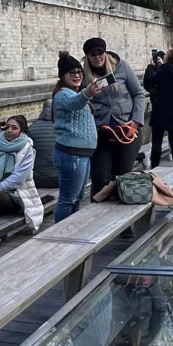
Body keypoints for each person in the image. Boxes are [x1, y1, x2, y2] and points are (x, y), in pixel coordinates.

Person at [81, 37, 146, 194]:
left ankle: (122, 207)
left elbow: (139, 94)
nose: (97, 57)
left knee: (123, 176)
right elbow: (79, 101)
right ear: (87, 57)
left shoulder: (121, 66)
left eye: (100, 53)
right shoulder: (83, 75)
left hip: (126, 130)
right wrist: (87, 94)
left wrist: (136, 121)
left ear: (105, 53)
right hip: (101, 133)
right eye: (93, 54)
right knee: (100, 178)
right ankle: (97, 208)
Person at [53, 52, 102, 220]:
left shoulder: (75, 93)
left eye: (79, 72)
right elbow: (74, 104)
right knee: (68, 199)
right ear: (62, 76)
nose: (76, 75)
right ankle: (60, 232)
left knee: (77, 197)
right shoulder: (63, 94)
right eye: (71, 72)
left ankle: (70, 230)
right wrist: (87, 92)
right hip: (71, 154)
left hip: (81, 154)